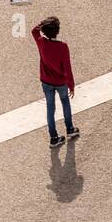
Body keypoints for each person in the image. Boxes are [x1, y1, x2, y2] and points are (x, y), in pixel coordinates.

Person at [32, 17, 78, 148]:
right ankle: (70, 129)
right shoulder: (62, 47)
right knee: (65, 103)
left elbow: (34, 31)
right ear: (57, 31)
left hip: (46, 81)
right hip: (60, 82)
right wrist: (71, 85)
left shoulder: (41, 42)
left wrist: (42, 23)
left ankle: (53, 137)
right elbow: (68, 67)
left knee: (50, 108)